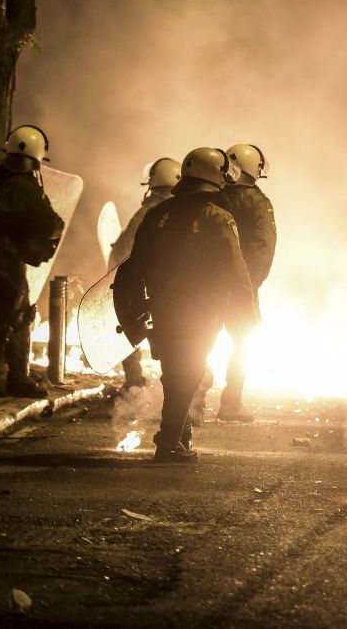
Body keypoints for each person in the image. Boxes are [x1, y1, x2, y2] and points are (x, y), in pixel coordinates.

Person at [118, 148, 256, 463]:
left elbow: (135, 265)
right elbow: (237, 272)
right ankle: (168, 443)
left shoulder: (158, 215)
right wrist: (247, 315)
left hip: (162, 307)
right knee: (188, 371)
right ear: (215, 177)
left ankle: (179, 437)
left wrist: (135, 307)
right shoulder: (218, 218)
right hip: (202, 310)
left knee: (175, 370)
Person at [0, 125, 64, 398]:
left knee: (12, 313)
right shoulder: (23, 186)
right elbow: (46, 220)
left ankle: (11, 374)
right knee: (4, 316)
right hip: (4, 259)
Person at [212, 143, 278, 423]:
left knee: (199, 341)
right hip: (241, 287)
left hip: (208, 286)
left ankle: (192, 402)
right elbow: (264, 245)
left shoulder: (213, 198)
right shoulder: (258, 202)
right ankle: (230, 403)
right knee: (243, 342)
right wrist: (251, 287)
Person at [109, 157, 182, 389]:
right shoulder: (186, 212)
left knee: (129, 327)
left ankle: (134, 383)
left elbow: (123, 250)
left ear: (153, 182)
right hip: (175, 287)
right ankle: (189, 394)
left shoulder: (148, 212)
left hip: (144, 286)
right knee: (183, 337)